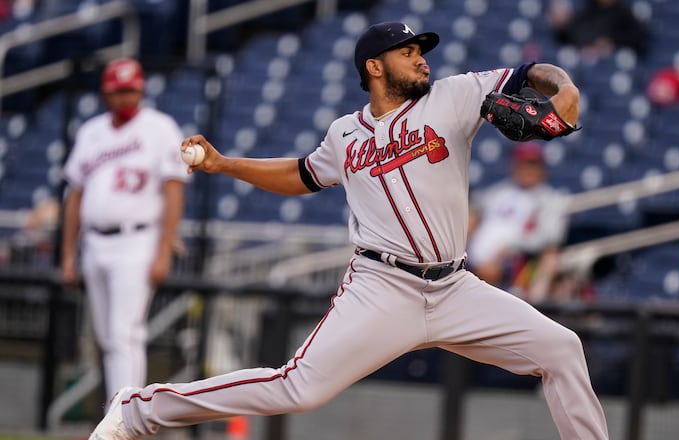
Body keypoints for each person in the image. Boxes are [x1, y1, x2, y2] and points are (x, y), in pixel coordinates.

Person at [89, 22, 609, 440]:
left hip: (455, 287)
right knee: (296, 389)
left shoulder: (455, 95)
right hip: (383, 288)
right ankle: (141, 409)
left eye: (421, 50)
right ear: (374, 66)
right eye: (408, 52)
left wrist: (563, 87)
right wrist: (225, 165)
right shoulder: (345, 133)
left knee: (561, 348)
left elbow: (530, 73)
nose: (422, 58)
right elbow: (301, 174)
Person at [60, 58, 189, 404]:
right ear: (106, 93)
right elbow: (75, 195)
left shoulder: (160, 127)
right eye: (119, 91)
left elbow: (174, 190)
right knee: (106, 336)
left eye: (132, 89)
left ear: (142, 89)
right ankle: (116, 413)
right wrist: (68, 254)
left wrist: (163, 250)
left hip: (138, 240)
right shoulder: (91, 132)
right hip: (94, 242)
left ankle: (125, 418)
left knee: (124, 334)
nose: (126, 97)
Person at [467, 141, 569, 303]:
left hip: (519, 260)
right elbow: (475, 210)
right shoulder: (499, 192)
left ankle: (534, 307)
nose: (527, 170)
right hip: (475, 256)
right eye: (523, 164)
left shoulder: (550, 199)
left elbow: (550, 239)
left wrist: (509, 249)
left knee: (550, 258)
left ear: (542, 169)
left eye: (533, 164)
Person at [549, 0, 651, 63]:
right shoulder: (588, 10)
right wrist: (562, 28)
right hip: (588, 62)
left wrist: (613, 42)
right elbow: (572, 37)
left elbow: (640, 37)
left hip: (615, 61)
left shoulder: (623, 11)